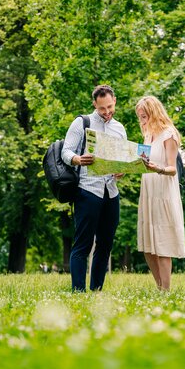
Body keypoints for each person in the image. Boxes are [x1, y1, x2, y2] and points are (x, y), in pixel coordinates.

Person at [62, 85, 126, 291]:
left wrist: (121, 170)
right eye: (102, 109)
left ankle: (96, 290)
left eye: (109, 107)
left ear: (114, 100)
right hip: (88, 190)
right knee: (83, 244)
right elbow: (66, 151)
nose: (107, 112)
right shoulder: (82, 123)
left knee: (105, 245)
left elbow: (122, 159)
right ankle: (78, 292)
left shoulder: (119, 128)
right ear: (94, 105)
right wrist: (78, 159)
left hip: (111, 191)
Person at [135, 96, 185, 290]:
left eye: (145, 116)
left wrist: (158, 169)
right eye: (140, 117)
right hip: (148, 192)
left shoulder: (168, 134)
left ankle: (166, 289)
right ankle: (159, 287)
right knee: (148, 247)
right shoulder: (148, 136)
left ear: (154, 113)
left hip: (163, 192)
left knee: (163, 245)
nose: (142, 121)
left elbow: (172, 169)